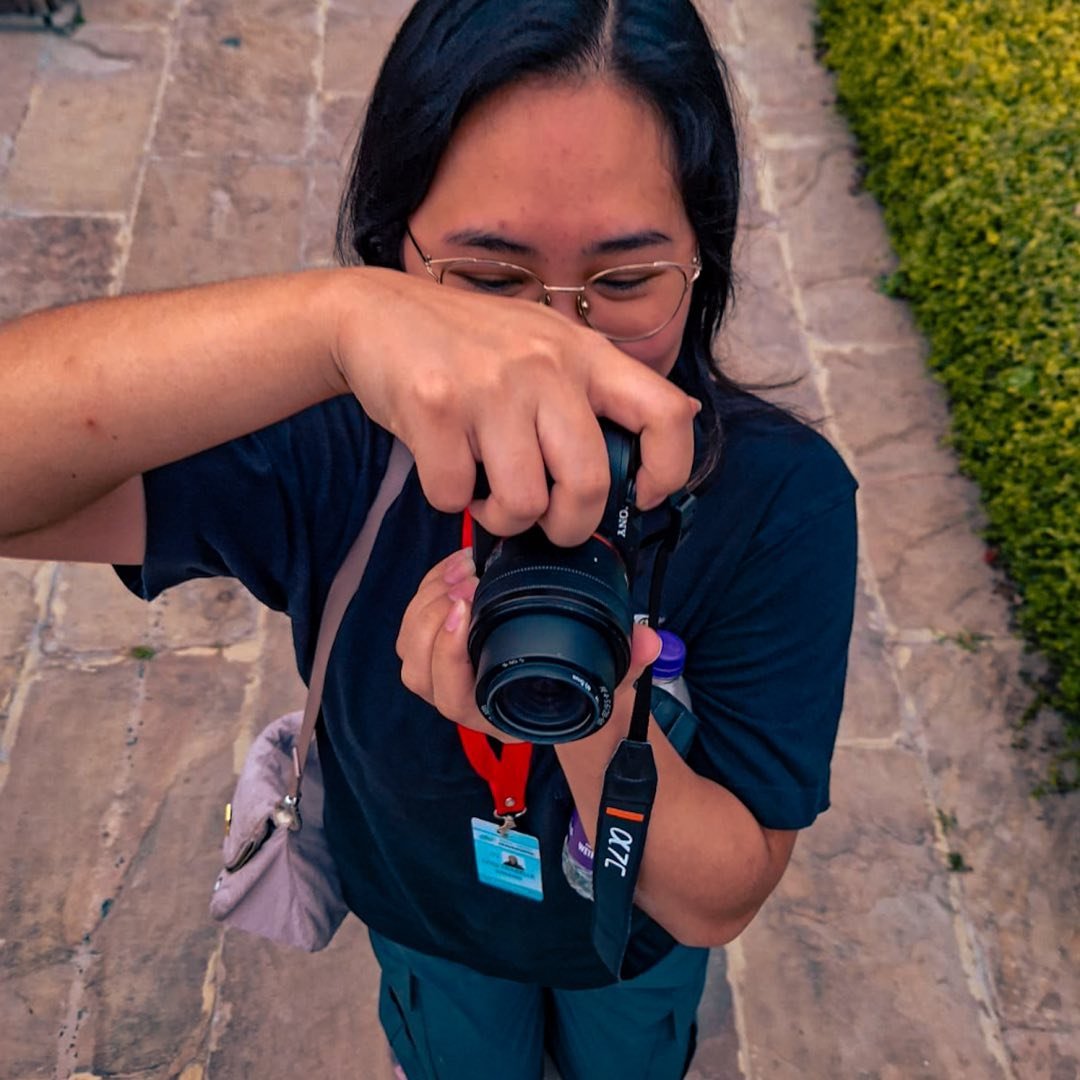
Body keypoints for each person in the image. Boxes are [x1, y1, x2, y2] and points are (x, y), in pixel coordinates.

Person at [0, 1, 858, 1077]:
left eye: (625, 282)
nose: (548, 347)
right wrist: (329, 327)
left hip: (631, 940)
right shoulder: (332, 449)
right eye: (486, 281)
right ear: (391, 256)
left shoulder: (778, 499)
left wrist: (590, 706)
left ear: (704, 262)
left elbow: (717, 896)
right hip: (425, 919)